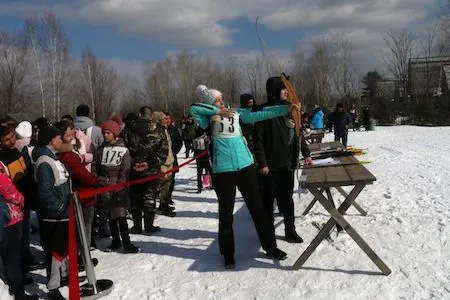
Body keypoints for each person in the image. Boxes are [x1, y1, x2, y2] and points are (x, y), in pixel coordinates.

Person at [191, 84, 289, 269]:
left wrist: (286, 108)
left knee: (259, 209)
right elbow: (194, 107)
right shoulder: (206, 118)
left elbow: (259, 114)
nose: (221, 101)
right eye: (216, 100)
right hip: (223, 171)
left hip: (245, 167)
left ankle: (270, 247)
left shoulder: (236, 112)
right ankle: (228, 254)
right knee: (226, 214)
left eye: (221, 99)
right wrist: (216, 111)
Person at [254, 76, 313, 245]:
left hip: (288, 163)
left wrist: (306, 153)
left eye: (287, 89)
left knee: (287, 199)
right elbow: (257, 139)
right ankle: (268, 236)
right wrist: (263, 163)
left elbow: (298, 134)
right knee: (268, 202)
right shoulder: (263, 111)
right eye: (283, 89)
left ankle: (290, 230)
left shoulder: (291, 109)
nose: (286, 92)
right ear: (274, 91)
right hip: (271, 165)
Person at [32, 126, 70, 300]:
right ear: (50, 140)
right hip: (52, 215)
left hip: (61, 213)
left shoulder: (52, 158)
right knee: (54, 250)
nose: (61, 140)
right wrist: (59, 206)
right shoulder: (44, 162)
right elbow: (45, 192)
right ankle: (53, 287)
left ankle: (63, 276)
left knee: (62, 248)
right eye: (58, 137)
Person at [54, 121, 100, 266]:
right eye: (68, 133)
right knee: (83, 231)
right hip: (82, 195)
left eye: (73, 130)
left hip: (78, 194)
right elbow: (82, 175)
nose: (73, 133)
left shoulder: (70, 150)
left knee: (80, 230)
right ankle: (84, 260)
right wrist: (96, 181)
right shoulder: (68, 155)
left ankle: (81, 257)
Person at [0, 126, 40, 284]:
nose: (11, 141)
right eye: (7, 139)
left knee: (24, 237)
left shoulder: (16, 151)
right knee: (16, 242)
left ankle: (24, 264)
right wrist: (21, 198)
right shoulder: (2, 158)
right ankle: (17, 275)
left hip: (25, 200)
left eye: (12, 137)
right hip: (14, 204)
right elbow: (8, 185)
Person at [94, 120, 139, 253]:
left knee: (120, 217)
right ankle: (115, 241)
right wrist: (97, 181)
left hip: (118, 190)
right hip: (104, 188)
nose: (105, 135)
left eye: (108, 133)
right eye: (104, 133)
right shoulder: (101, 150)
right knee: (110, 218)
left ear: (114, 133)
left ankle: (127, 243)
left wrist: (119, 187)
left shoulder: (123, 150)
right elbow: (95, 167)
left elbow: (125, 170)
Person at [0, 162, 39, 300]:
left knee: (12, 256)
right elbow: (7, 189)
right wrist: (23, 200)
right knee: (11, 257)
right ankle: (18, 292)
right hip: (8, 218)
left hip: (10, 216)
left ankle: (17, 283)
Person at [124, 116, 164, 234]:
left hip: (134, 172)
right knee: (149, 199)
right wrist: (154, 164)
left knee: (136, 200)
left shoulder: (127, 134)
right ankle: (148, 226)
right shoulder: (155, 133)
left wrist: (133, 164)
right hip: (151, 171)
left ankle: (137, 226)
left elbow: (126, 153)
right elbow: (162, 152)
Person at [153, 112, 176, 217]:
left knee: (167, 186)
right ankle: (156, 208)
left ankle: (164, 205)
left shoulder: (165, 130)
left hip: (169, 162)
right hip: (162, 164)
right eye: (163, 119)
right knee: (160, 186)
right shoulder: (156, 132)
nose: (166, 120)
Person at [164, 113, 183, 205]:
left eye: (168, 119)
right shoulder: (160, 129)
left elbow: (180, 141)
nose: (167, 120)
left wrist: (175, 151)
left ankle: (168, 197)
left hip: (172, 157)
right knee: (163, 180)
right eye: (165, 118)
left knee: (172, 179)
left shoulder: (173, 129)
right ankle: (162, 199)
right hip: (163, 159)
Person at [192, 126, 212, 193]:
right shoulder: (205, 138)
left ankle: (199, 188)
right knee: (211, 172)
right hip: (206, 157)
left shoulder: (195, 138)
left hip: (198, 158)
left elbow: (194, 148)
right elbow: (208, 146)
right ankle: (213, 185)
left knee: (199, 174)